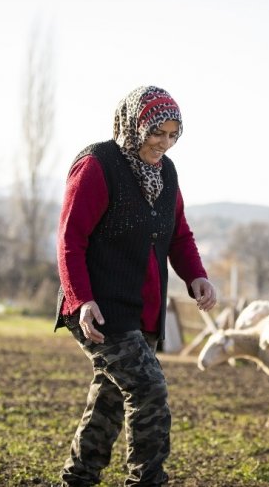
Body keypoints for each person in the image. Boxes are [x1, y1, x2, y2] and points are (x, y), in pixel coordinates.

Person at [54, 85, 217, 487]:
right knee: (149, 390)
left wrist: (196, 275)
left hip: (142, 311)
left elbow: (178, 234)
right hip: (99, 309)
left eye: (173, 134)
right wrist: (81, 300)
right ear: (135, 125)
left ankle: (78, 479)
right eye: (157, 132)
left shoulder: (167, 172)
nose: (165, 143)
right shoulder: (97, 165)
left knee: (108, 401)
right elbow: (70, 240)